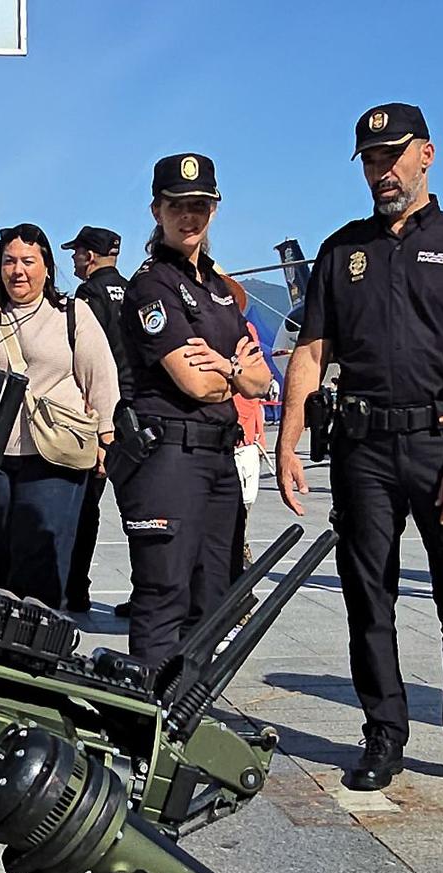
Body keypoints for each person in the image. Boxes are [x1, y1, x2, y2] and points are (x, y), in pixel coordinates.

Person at [275, 103, 443, 798]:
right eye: (369, 160)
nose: (381, 171)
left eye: (393, 156)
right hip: (363, 449)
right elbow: (311, 350)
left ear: (427, 154)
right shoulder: (341, 251)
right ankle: (384, 732)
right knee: (368, 598)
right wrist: (288, 439)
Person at [113, 156, 271, 665]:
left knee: (215, 598)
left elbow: (263, 380)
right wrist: (233, 371)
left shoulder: (220, 290)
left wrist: (226, 368)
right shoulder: (152, 285)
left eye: (200, 206)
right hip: (169, 460)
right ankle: (149, 726)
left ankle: (188, 715)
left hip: (220, 461)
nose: (190, 217)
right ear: (157, 210)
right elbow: (198, 383)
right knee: (164, 596)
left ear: (214, 209)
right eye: (178, 206)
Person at [0, 222, 119, 606]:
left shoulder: (71, 314)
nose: (17, 270)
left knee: (40, 550)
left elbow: (101, 377)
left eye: (28, 260)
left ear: (46, 267)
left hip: (55, 453)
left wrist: (107, 438)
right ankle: (3, 631)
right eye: (9, 261)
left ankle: (36, 637)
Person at [63, 225, 133, 614]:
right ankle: (145, 590)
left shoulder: (88, 296)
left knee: (85, 507)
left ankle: (76, 589)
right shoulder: (133, 289)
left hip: (104, 412)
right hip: (136, 409)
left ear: (90, 256)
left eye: (77, 253)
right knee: (137, 509)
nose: (73, 259)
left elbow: (87, 359)